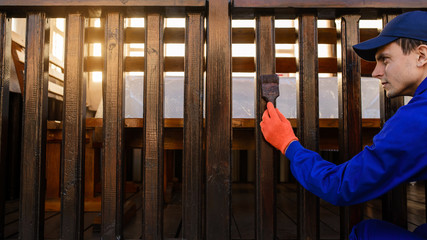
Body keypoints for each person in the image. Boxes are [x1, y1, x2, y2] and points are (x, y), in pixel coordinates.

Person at [260, 10, 427, 239]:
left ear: (421, 56)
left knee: (366, 233)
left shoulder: (418, 118)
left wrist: (289, 144)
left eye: (385, 59)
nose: (376, 72)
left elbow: (341, 186)